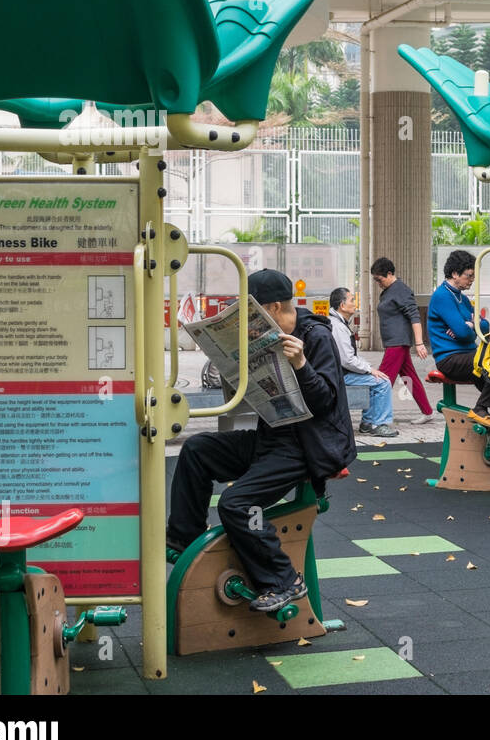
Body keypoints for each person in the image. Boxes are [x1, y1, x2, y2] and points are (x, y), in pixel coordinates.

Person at [167, 269, 356, 612]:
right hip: (271, 436)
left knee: (236, 504)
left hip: (307, 447)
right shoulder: (266, 337)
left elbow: (326, 401)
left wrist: (300, 364)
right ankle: (184, 540)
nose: (250, 325)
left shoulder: (316, 337)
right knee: (197, 450)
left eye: (254, 316)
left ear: (274, 307)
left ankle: (284, 580)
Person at [427, 249, 490, 428]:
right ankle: (480, 408)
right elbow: (463, 332)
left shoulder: (462, 298)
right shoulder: (442, 296)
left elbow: (482, 325)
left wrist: (469, 325)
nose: (472, 280)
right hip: (450, 358)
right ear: (454, 274)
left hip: (472, 357)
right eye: (468, 276)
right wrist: (468, 326)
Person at [370, 257, 434, 424]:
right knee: (410, 378)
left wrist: (419, 343)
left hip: (397, 343)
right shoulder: (388, 291)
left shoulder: (401, 290)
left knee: (383, 380)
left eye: (379, 279)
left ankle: (374, 417)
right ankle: (427, 412)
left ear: (390, 274)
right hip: (395, 342)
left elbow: (414, 316)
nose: (378, 283)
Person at [328, 287, 398, 438]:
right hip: (341, 375)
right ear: (342, 305)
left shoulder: (338, 323)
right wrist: (369, 370)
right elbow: (347, 360)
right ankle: (378, 424)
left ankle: (367, 423)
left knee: (376, 379)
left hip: (339, 372)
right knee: (383, 382)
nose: (355, 303)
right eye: (352, 300)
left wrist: (369, 368)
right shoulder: (338, 327)